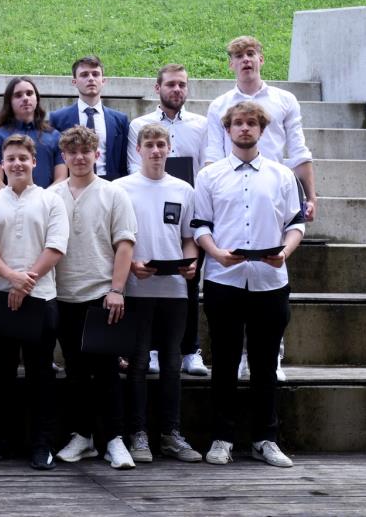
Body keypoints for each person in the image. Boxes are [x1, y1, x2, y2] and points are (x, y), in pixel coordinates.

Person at [195, 101, 304, 468]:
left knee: (265, 363)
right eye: (238, 123)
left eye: (251, 123)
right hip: (223, 279)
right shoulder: (210, 176)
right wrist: (216, 253)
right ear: (227, 130)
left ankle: (265, 439)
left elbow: (296, 224)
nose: (244, 128)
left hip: (269, 281)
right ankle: (222, 438)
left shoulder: (282, 175)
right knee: (224, 362)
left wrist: (284, 253)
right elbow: (201, 225)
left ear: (262, 129)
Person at [204, 36, 316, 382]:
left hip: (274, 189)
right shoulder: (220, 105)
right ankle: (241, 356)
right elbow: (212, 155)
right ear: (231, 64)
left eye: (251, 54)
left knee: (270, 287)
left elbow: (298, 149)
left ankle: (272, 355)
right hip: (230, 186)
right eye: (239, 56)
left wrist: (311, 195)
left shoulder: (284, 99)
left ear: (261, 59)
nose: (246, 60)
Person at [0, 134, 68, 471]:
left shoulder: (50, 200)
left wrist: (26, 281)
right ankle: (4, 441)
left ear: (34, 162)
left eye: (23, 158)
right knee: (2, 375)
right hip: (0, 296)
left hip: (40, 298)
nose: (17, 164)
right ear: (2, 164)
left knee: (40, 375)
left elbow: (55, 247)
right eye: (11, 158)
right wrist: (12, 278)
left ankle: (42, 444)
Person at [115, 123, 203, 464]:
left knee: (171, 363)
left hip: (174, 289)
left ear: (169, 148)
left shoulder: (184, 189)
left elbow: (188, 238)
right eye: (149, 144)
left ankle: (170, 433)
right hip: (136, 287)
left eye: (161, 144)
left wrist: (191, 263)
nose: (155, 150)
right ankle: (137, 433)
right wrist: (131, 266)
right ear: (138, 149)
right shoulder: (122, 188)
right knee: (137, 363)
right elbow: (115, 239)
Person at [50, 125, 137, 470]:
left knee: (106, 372)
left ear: (96, 154)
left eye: (85, 151)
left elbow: (125, 244)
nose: (79, 157)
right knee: (75, 371)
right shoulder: (52, 195)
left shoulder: (114, 194)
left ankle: (115, 440)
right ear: (64, 156)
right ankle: (82, 437)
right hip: (62, 295)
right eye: (72, 152)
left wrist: (116, 289)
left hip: (101, 296)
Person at [127, 64, 210, 377]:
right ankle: (149, 350)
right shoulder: (141, 125)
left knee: (188, 281)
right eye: (171, 84)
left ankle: (190, 350)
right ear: (157, 88)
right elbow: (133, 166)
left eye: (182, 85)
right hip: (148, 204)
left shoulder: (201, 124)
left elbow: (205, 168)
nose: (177, 89)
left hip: (186, 206)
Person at [49, 56, 130, 181]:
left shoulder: (120, 120)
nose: (91, 78)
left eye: (95, 74)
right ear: (74, 82)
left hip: (111, 183)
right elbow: (55, 160)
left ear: (103, 80)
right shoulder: (58, 119)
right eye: (84, 75)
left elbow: (124, 161)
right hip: (73, 184)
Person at [0, 77, 66, 192]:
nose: (25, 98)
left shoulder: (54, 136)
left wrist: (43, 199)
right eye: (18, 95)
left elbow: (61, 179)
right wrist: (17, 201)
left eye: (29, 93)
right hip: (9, 202)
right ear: (10, 102)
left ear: (37, 99)